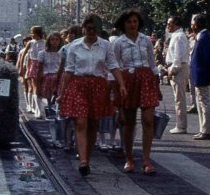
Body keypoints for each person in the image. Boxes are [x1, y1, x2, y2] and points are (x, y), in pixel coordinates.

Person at [57, 14, 126, 177]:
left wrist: (121, 84)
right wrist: (61, 93)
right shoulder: (74, 46)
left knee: (93, 124)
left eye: (95, 29)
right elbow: (68, 71)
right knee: (80, 122)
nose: (92, 32)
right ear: (83, 29)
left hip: (98, 86)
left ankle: (86, 156)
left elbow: (113, 66)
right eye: (89, 28)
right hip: (78, 84)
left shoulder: (105, 45)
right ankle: (83, 161)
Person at [113, 9, 160, 175]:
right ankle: (129, 158)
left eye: (135, 21)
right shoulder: (119, 43)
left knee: (148, 119)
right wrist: (118, 87)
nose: (133, 25)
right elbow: (116, 66)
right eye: (129, 22)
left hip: (146, 78)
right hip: (128, 80)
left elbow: (153, 64)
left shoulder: (146, 40)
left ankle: (147, 160)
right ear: (123, 24)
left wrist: (157, 83)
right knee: (129, 121)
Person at [189, 13, 210, 140]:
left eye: (192, 23)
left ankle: (207, 130)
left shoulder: (204, 38)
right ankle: (204, 129)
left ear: (196, 24)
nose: (191, 25)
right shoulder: (201, 37)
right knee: (202, 103)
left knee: (205, 103)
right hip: (200, 75)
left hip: (203, 76)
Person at [165, 15, 190, 135]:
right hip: (177, 68)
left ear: (175, 24)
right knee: (178, 98)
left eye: (169, 23)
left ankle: (181, 126)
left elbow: (178, 56)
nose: (167, 26)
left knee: (179, 99)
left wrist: (173, 69)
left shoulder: (179, 36)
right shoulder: (176, 36)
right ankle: (180, 124)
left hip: (178, 69)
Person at [37, 31, 63, 118]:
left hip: (60, 77)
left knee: (58, 97)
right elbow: (39, 70)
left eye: (56, 39)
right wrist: (38, 84)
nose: (54, 42)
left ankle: (58, 114)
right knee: (49, 98)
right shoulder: (43, 53)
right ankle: (50, 114)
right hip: (48, 77)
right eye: (52, 40)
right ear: (49, 41)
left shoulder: (63, 52)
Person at [25, 26, 46, 116]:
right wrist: (24, 68)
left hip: (43, 65)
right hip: (33, 65)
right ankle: (38, 110)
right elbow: (24, 55)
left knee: (41, 88)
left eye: (32, 32)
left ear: (37, 33)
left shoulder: (45, 43)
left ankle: (39, 108)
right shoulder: (31, 42)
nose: (31, 34)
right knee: (35, 87)